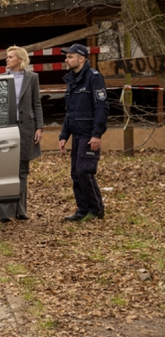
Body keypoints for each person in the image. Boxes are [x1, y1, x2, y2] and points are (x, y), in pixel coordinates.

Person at [58, 43, 110, 221]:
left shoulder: (93, 78)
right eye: (66, 56)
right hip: (77, 134)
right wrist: (64, 135)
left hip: (89, 134)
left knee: (84, 171)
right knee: (76, 173)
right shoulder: (73, 79)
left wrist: (97, 134)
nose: (66, 59)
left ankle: (96, 210)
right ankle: (82, 210)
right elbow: (70, 112)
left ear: (81, 59)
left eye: (70, 56)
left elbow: (102, 107)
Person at [0, 46, 44, 223]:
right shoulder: (1, 79)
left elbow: (36, 103)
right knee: (5, 169)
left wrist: (39, 127)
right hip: (6, 128)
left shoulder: (32, 78)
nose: (7, 60)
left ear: (20, 59)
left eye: (10, 57)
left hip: (26, 128)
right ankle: (5, 213)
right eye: (7, 57)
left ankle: (21, 210)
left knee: (22, 170)